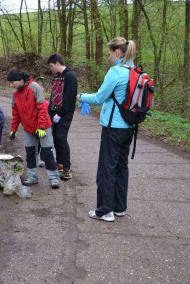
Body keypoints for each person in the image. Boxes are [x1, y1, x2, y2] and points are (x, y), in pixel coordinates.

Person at [77, 37, 137, 222]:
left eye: (109, 53)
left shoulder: (116, 72)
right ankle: (119, 208)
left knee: (106, 168)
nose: (108, 57)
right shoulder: (135, 71)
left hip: (113, 128)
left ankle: (104, 211)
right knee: (121, 167)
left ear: (118, 52)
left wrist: (81, 96)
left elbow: (99, 97)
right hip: (129, 128)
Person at [6, 69, 61, 188]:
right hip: (28, 128)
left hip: (43, 126)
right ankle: (32, 177)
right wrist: (13, 129)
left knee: (47, 152)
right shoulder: (15, 94)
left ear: (20, 80)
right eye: (10, 83)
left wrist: (41, 126)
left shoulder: (35, 88)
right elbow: (15, 114)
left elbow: (42, 108)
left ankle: (54, 178)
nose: (11, 85)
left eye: (12, 82)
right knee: (30, 152)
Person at [47, 53, 78, 180]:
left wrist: (60, 114)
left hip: (64, 114)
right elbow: (53, 94)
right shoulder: (56, 77)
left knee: (61, 137)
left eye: (51, 66)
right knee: (55, 137)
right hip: (53, 112)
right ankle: (59, 163)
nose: (51, 68)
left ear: (58, 63)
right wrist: (50, 112)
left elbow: (70, 98)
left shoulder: (70, 76)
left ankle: (67, 168)